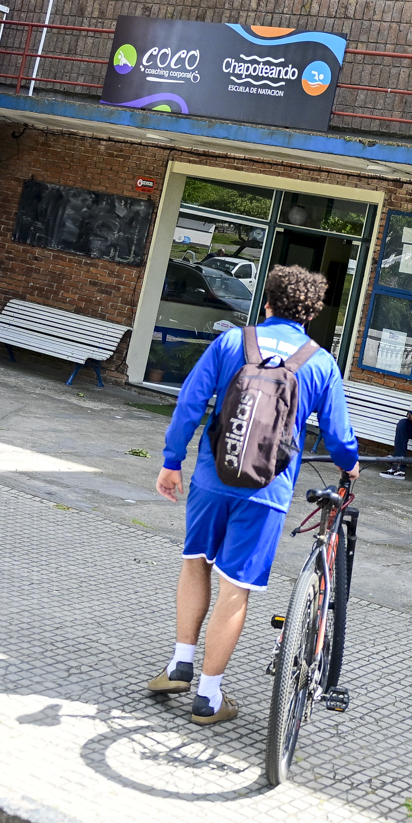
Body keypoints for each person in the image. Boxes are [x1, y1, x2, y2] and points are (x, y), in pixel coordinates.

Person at [149, 265, 359, 725]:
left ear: (267, 303)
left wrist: (171, 460)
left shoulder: (232, 342)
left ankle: (180, 662)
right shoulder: (320, 362)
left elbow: (190, 402)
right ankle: (208, 697)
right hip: (267, 490)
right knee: (235, 588)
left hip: (211, 478)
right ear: (312, 314)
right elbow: (339, 436)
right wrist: (351, 464)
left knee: (195, 562)